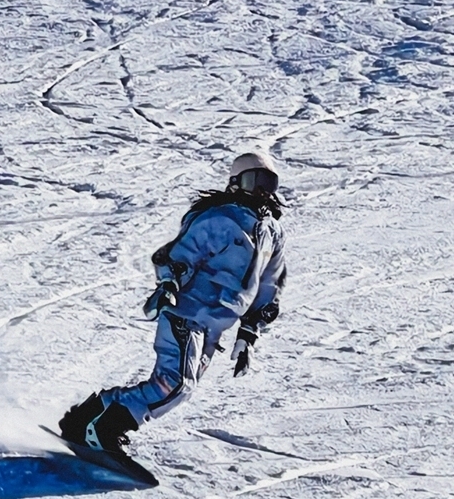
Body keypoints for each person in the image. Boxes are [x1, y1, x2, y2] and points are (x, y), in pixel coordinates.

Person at [60, 148, 287, 460]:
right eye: (255, 180)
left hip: (213, 325)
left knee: (179, 388)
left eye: (269, 183)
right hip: (188, 309)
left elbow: (268, 284)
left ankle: (86, 418)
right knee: (174, 385)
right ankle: (104, 429)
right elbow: (180, 255)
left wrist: (249, 332)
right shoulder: (221, 218)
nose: (263, 190)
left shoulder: (271, 233)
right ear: (237, 182)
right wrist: (169, 283)